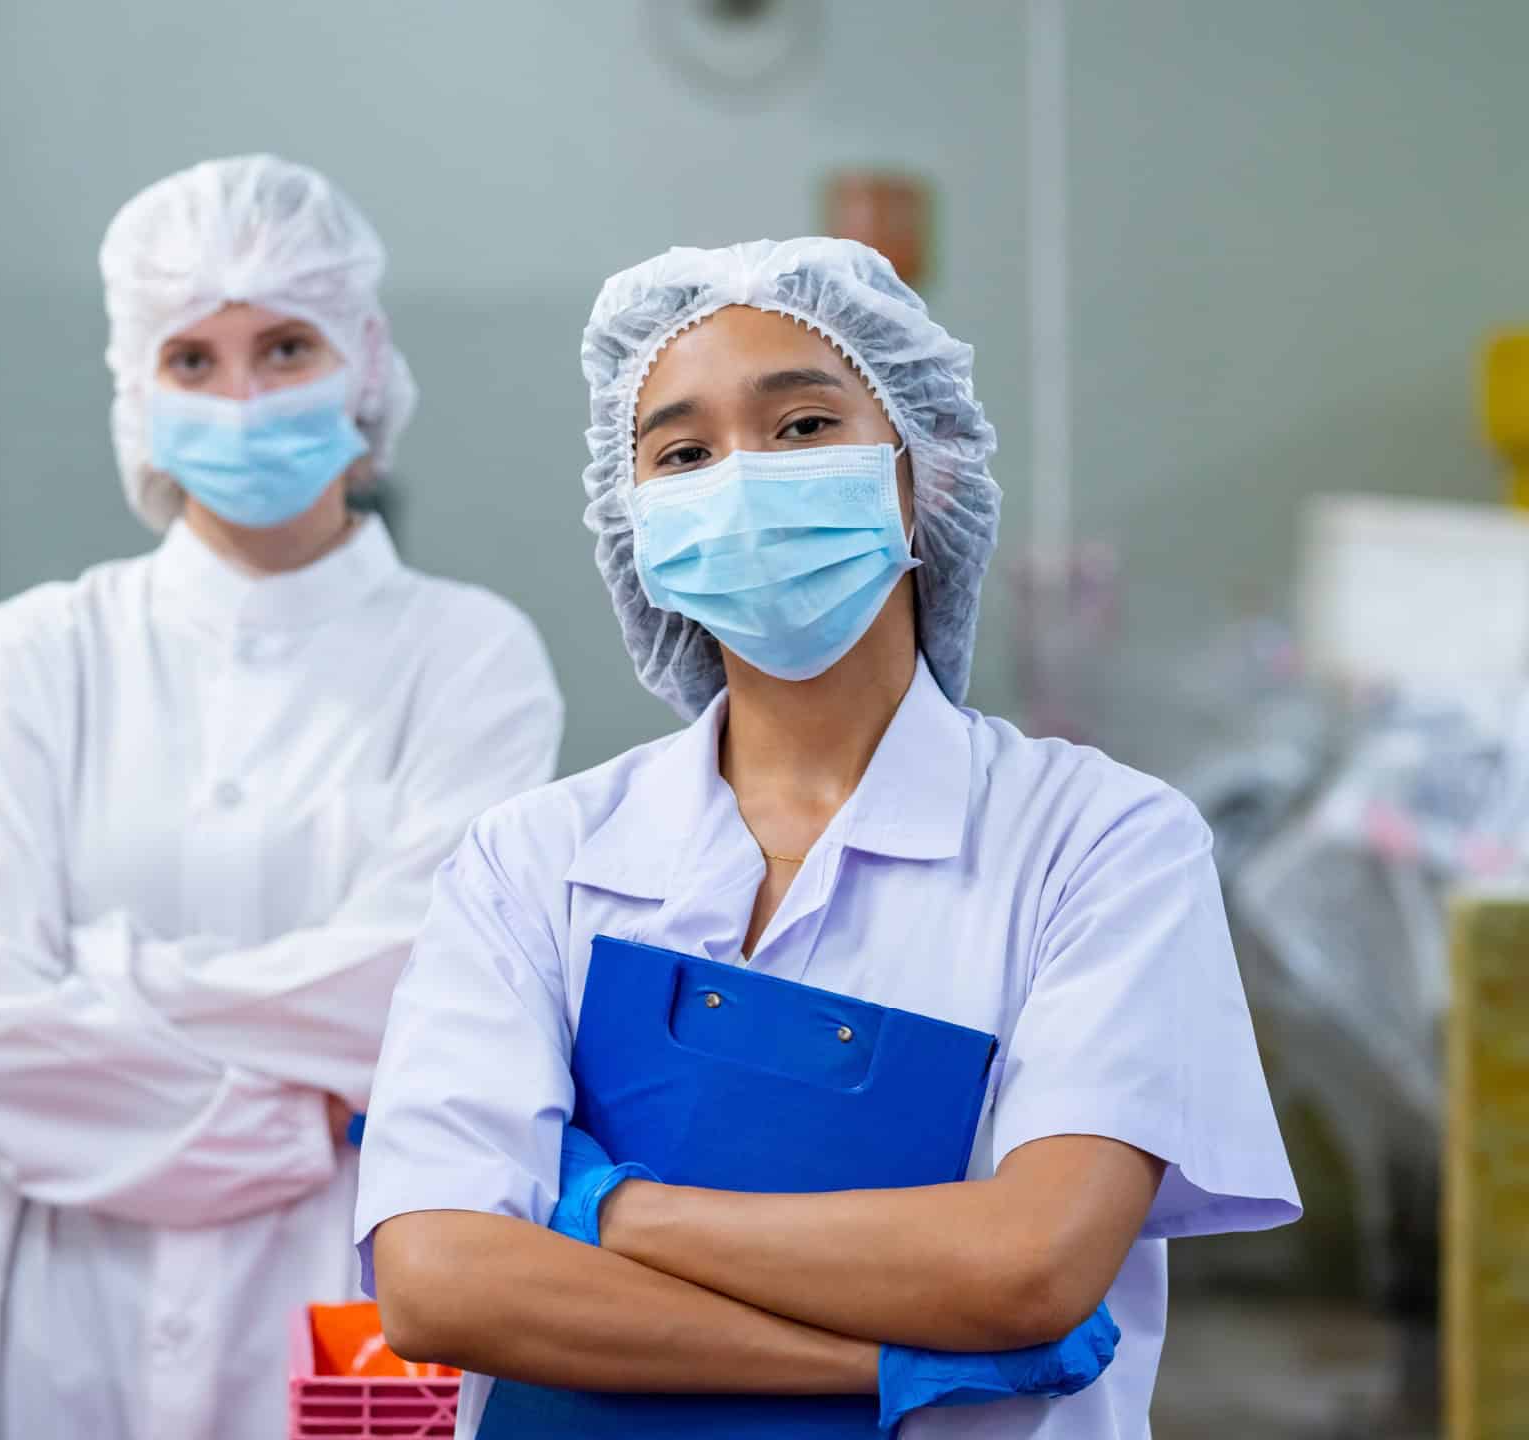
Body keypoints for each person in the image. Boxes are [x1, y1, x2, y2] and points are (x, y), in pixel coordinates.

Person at [354, 237, 1300, 1436]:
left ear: (924, 474)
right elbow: (441, 1283)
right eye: (684, 453)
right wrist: (886, 1366)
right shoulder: (530, 862)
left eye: (801, 428)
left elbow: (1028, 1265)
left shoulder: (1100, 843)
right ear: (635, 520)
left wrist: (604, 1209)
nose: (741, 481)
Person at [0, 155, 564, 1440]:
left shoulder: (471, 658)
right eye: (192, 360)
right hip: (65, 1325)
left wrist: (100, 988)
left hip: (348, 1315)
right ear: (135, 392)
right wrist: (309, 1108)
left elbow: (412, 1003)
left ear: (364, 365)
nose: (243, 397)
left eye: (284, 346)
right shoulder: (35, 654)